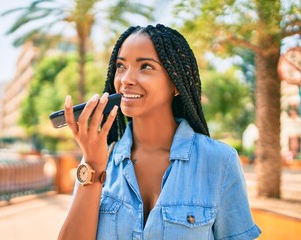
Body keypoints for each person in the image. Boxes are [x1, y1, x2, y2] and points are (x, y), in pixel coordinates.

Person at [57, 24, 261, 240]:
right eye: (120, 66)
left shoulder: (219, 161)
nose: (126, 79)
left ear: (176, 83)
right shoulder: (98, 160)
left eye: (145, 66)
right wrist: (93, 166)